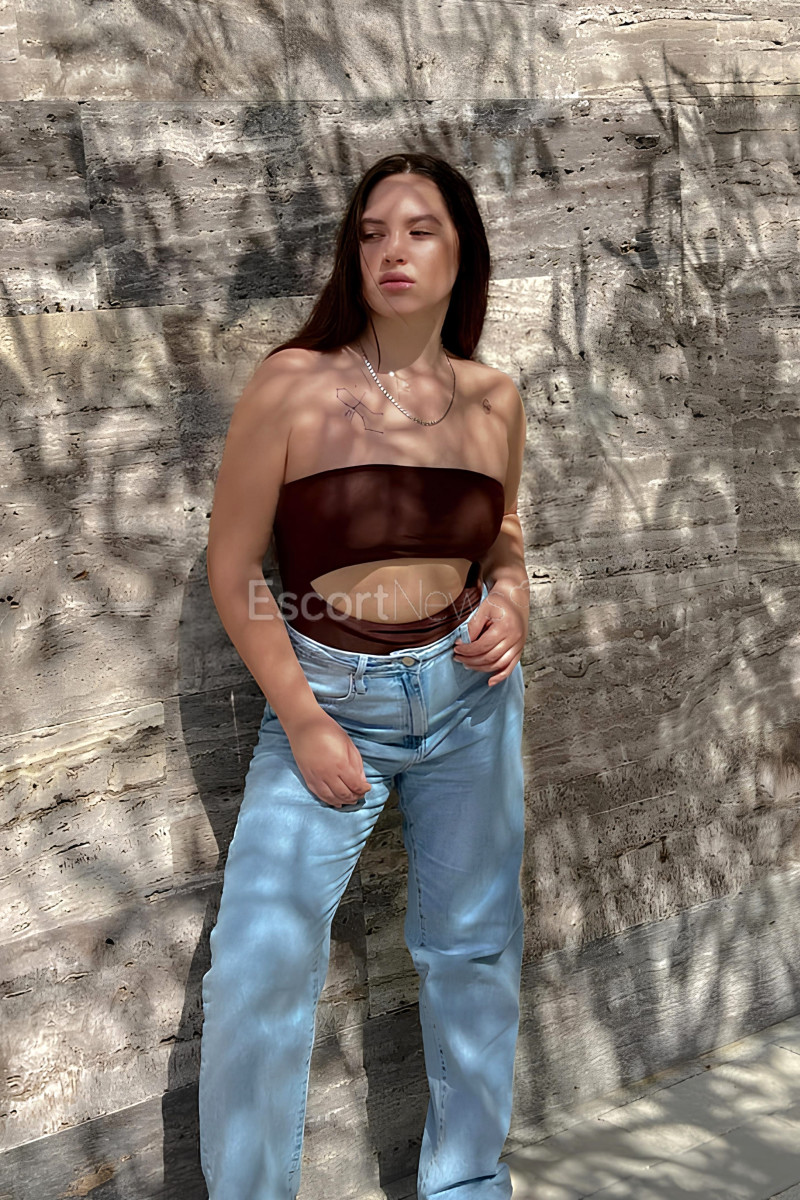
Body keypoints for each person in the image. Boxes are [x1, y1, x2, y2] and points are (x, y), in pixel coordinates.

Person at [198, 150, 530, 1200]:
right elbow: (232, 567)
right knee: (256, 967)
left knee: (473, 955)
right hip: (328, 699)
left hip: (470, 703)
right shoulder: (293, 384)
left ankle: (466, 1185)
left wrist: (513, 596)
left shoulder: (493, 397)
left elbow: (503, 533)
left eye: (420, 229)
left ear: (462, 253)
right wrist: (301, 718)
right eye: (373, 231)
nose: (393, 249)